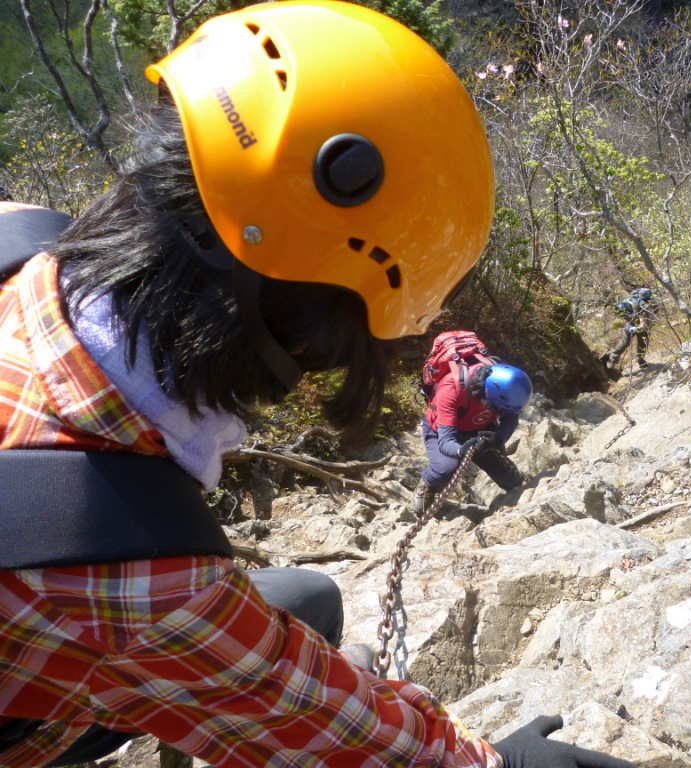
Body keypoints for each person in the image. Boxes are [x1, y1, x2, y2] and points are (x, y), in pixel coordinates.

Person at [0, 3, 634, 768]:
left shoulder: (21, 236)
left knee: (308, 600)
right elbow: (380, 752)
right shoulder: (131, 577)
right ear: (306, 329)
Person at [414, 362, 532, 513]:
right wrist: (461, 450)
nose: (499, 413)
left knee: (507, 475)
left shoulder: (505, 388)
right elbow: (445, 441)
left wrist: (498, 438)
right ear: (487, 395)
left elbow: (511, 418)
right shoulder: (451, 390)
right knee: (445, 469)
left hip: (480, 429)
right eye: (497, 409)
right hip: (442, 431)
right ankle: (428, 484)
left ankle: (512, 482)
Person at [604, 287, 657, 371]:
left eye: (625, 316)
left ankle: (641, 360)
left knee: (643, 341)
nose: (624, 318)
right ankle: (612, 358)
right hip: (634, 320)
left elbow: (644, 324)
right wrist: (630, 324)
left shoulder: (640, 306)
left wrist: (636, 328)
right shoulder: (625, 303)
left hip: (644, 321)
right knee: (625, 341)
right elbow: (627, 318)